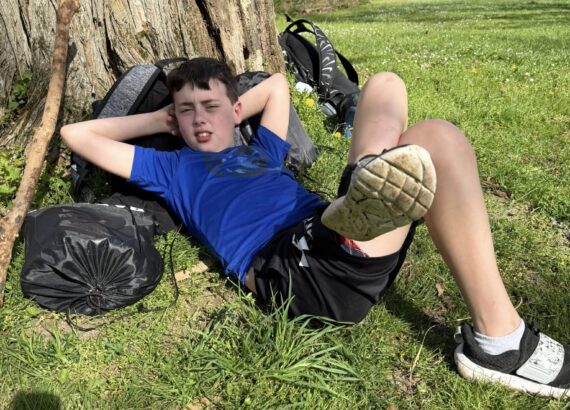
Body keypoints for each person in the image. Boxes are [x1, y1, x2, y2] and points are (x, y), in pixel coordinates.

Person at [61, 57, 569, 397]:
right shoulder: (171, 169)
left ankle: (367, 187)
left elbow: (277, 86)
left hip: (328, 233)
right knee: (399, 166)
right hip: (288, 267)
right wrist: (158, 121)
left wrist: (231, 110)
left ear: (235, 110)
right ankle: (499, 341)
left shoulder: (262, 150)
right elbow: (76, 134)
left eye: (211, 107)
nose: (198, 120)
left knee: (408, 104)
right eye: (185, 112)